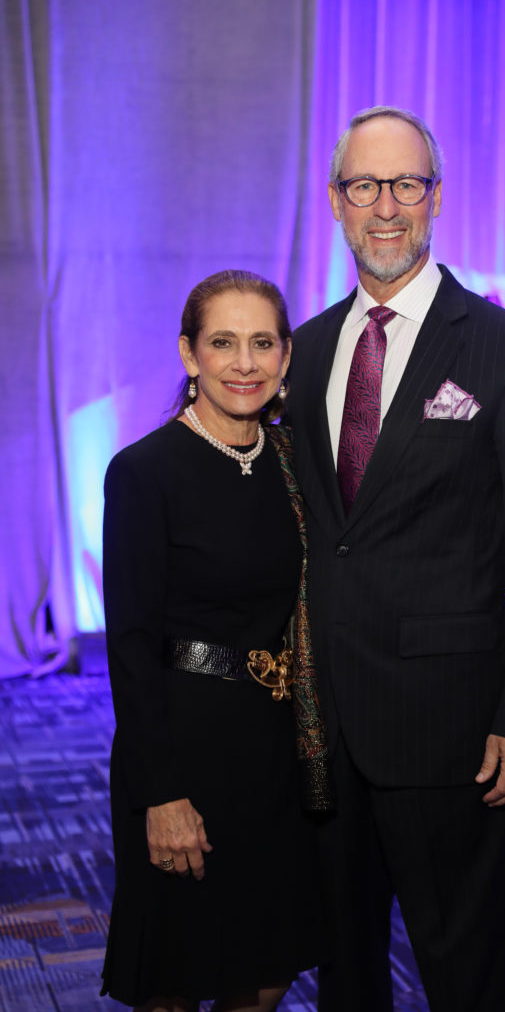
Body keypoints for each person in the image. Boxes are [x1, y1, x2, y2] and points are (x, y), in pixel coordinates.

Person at [286, 106, 505, 1012]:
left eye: (405, 184)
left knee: (465, 972)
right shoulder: (308, 348)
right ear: (335, 200)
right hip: (323, 727)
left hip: (452, 732)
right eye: (364, 186)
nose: (385, 207)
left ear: (436, 198)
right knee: (343, 970)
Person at [101, 269, 332, 1012]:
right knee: (176, 978)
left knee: (266, 971)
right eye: (223, 343)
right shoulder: (145, 471)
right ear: (188, 353)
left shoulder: (296, 463)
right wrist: (160, 792)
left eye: (262, 343)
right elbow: (131, 644)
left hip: (276, 749)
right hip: (183, 746)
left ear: (286, 355)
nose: (244, 363)